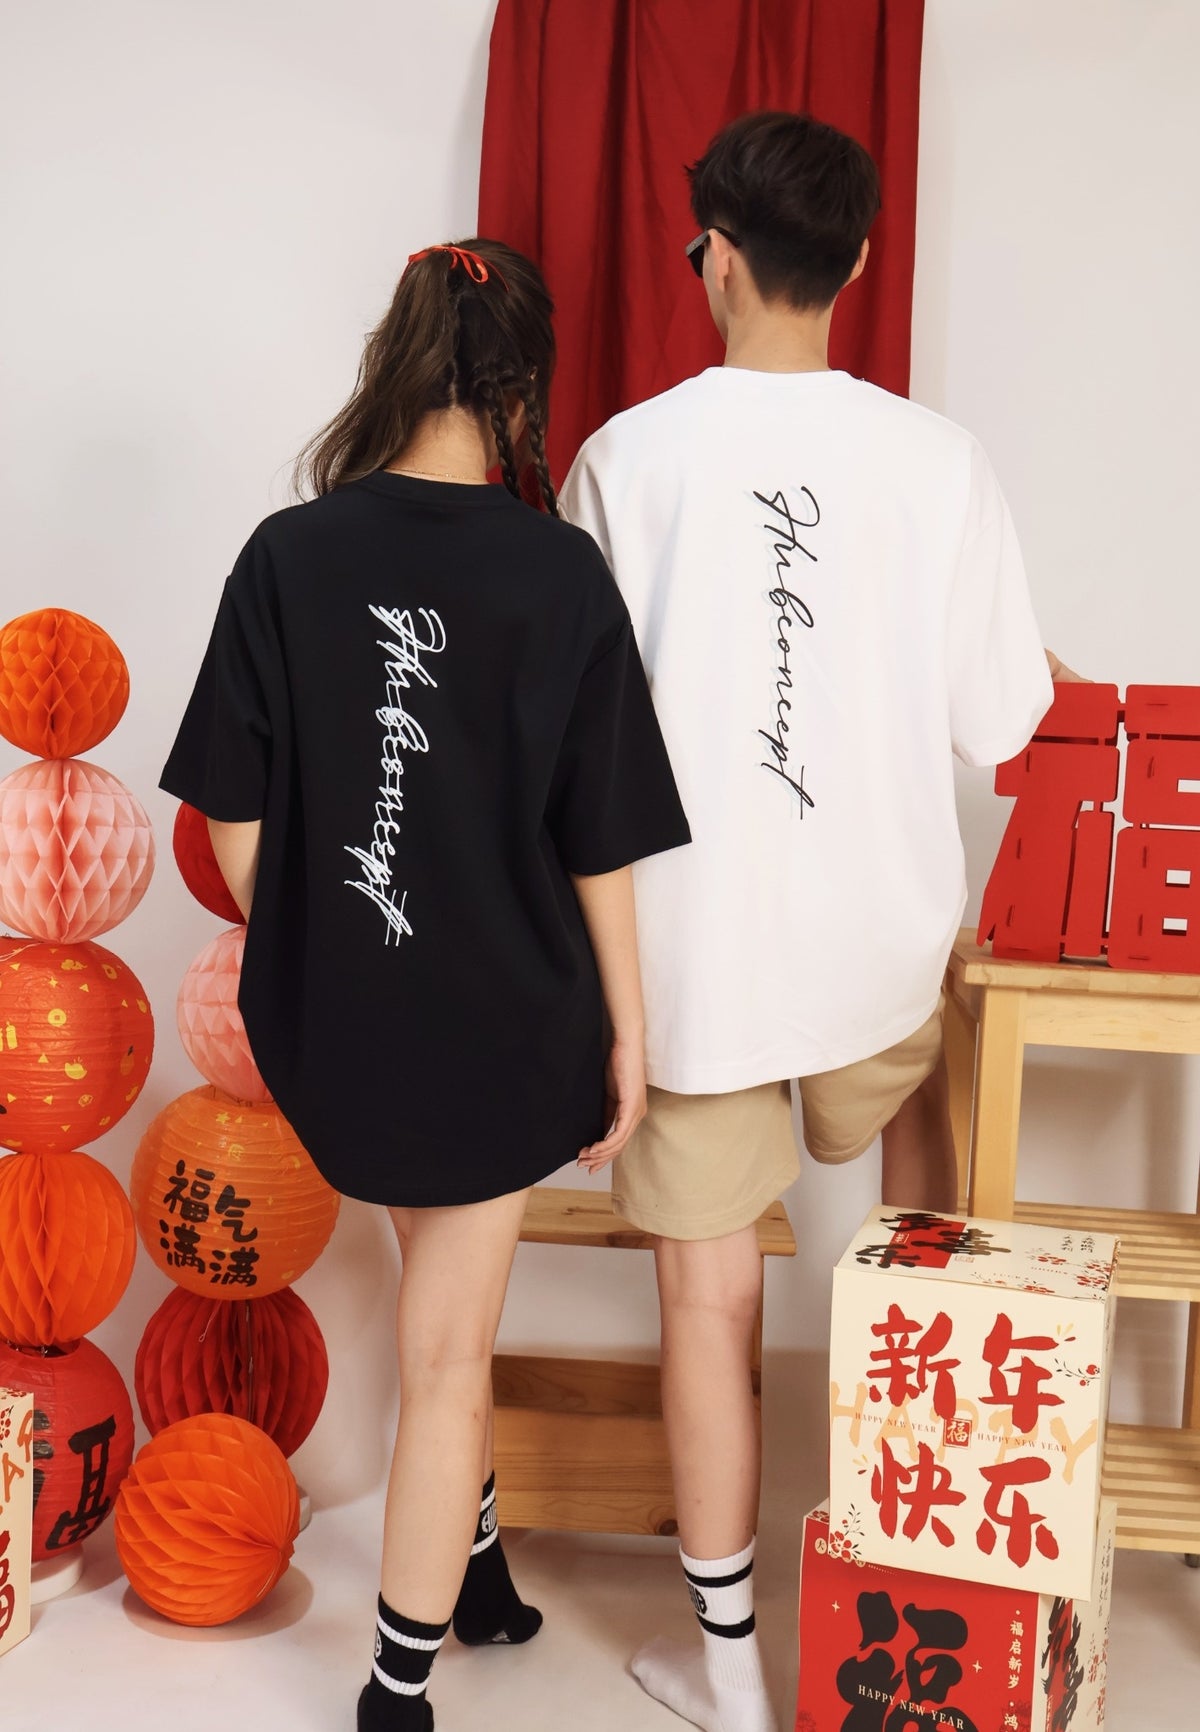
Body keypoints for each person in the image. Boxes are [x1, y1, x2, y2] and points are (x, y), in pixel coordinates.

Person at [559, 113, 1056, 1732]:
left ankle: (727, 1675)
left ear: (712, 255)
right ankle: (922, 1599)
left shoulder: (625, 460)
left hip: (689, 974)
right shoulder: (940, 460)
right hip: (883, 962)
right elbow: (1005, 721)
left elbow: (571, 747)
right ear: (856, 261)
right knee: (920, 1255)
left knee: (711, 1304)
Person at [160, 237, 690, 1732]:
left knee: (429, 1296)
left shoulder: (290, 556)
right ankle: (400, 1693)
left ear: (396, 357)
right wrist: (629, 1032)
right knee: (451, 1349)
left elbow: (232, 818)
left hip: (348, 1026)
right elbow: (600, 840)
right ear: (523, 388)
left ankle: (483, 1576)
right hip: (508, 1023)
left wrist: (322, 942)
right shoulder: (558, 572)